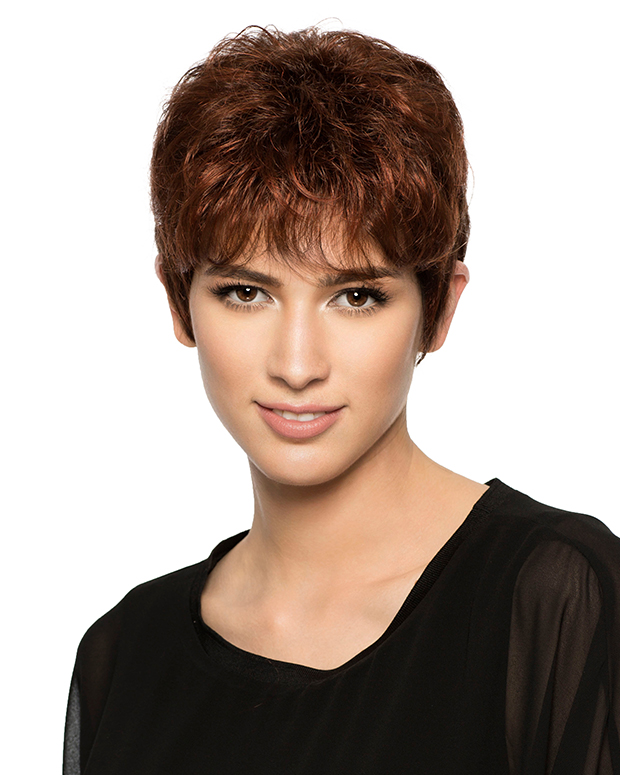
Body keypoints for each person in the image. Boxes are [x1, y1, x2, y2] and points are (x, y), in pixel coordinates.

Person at [63, 26, 620, 775]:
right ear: (178, 301)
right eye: (246, 292)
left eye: (356, 295)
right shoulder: (125, 653)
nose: (297, 365)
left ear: (439, 310)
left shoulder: (555, 598)